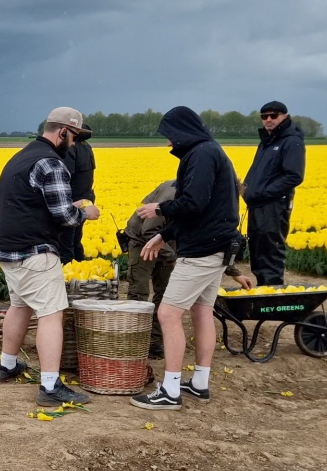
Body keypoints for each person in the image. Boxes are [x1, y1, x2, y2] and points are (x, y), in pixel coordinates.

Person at [0, 107, 100, 406]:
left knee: (19, 305)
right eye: (74, 137)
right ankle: (50, 386)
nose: (74, 144)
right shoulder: (51, 163)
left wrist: (69, 204)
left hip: (6, 248)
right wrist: (87, 212)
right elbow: (65, 216)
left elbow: (31, 200)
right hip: (34, 250)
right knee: (51, 314)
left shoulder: (24, 155)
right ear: (63, 132)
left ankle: (7, 365)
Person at [130, 106, 240, 411]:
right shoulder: (210, 151)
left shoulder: (202, 155)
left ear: (182, 132)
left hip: (202, 250)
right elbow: (206, 207)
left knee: (167, 315)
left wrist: (160, 209)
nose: (168, 143)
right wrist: (164, 235)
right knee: (202, 312)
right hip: (218, 245)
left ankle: (170, 389)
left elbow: (195, 202)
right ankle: (200, 382)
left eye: (170, 136)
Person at [125, 179, 254, 359]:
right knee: (139, 291)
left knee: (164, 293)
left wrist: (235, 274)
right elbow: (149, 231)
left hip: (171, 241)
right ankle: (134, 342)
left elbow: (212, 243)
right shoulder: (173, 194)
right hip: (143, 240)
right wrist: (174, 260)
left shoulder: (206, 201)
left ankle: (154, 342)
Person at [243, 101, 306, 286]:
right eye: (264, 116)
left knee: (270, 251)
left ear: (284, 116)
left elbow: (294, 176)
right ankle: (264, 290)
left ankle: (272, 295)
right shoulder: (267, 141)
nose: (268, 120)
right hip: (258, 205)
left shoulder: (291, 141)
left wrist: (262, 192)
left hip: (274, 205)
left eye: (274, 115)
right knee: (257, 249)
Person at [58, 123, 95, 264]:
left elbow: (65, 176)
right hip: (86, 199)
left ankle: (69, 274)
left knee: (66, 243)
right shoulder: (87, 147)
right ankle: (80, 266)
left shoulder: (71, 149)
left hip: (73, 201)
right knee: (76, 239)